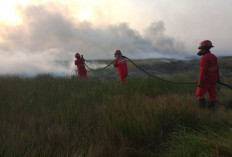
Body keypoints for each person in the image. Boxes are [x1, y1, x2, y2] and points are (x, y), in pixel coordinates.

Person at [195, 40, 220, 108]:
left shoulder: (205, 58)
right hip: (213, 79)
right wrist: (218, 78)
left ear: (204, 49)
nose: (200, 51)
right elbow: (217, 68)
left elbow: (202, 71)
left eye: (200, 49)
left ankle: (203, 110)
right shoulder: (213, 56)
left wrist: (200, 82)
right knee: (212, 94)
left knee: (199, 94)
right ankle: (212, 110)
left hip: (207, 80)